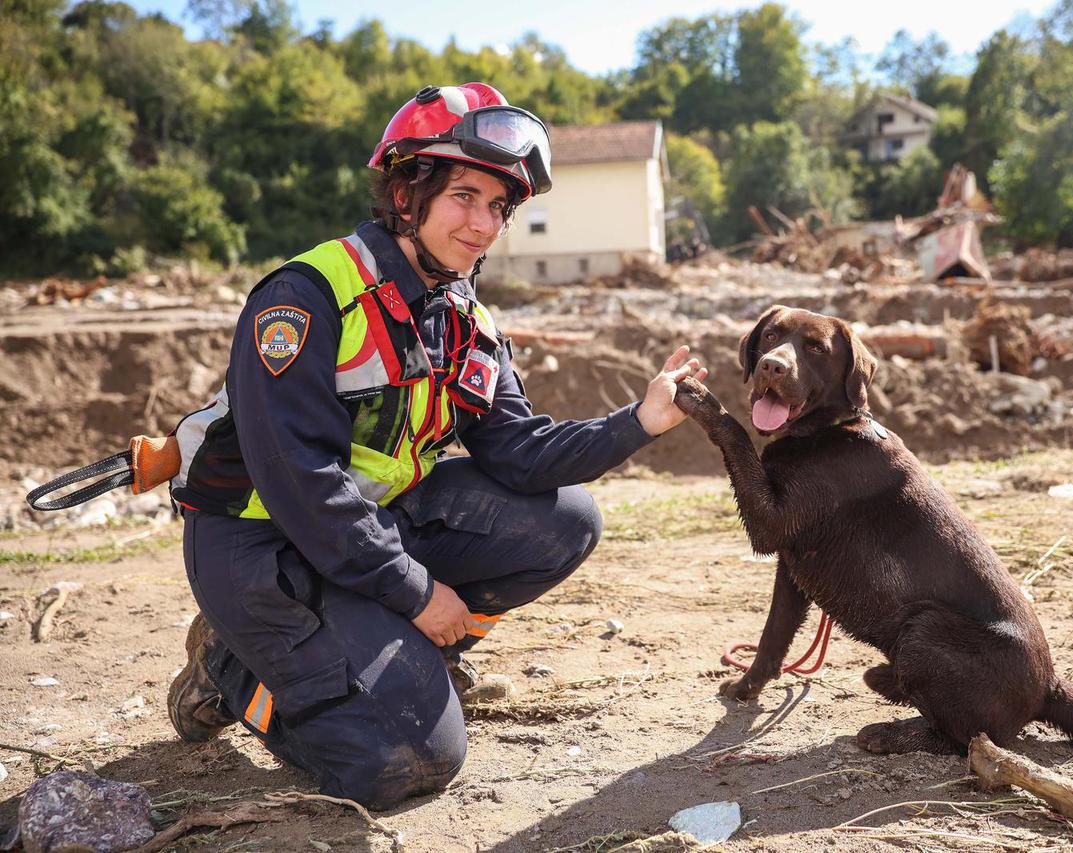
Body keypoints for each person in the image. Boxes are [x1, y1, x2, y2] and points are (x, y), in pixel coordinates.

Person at [165, 82, 706, 810]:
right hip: (260, 547)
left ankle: (413, 661)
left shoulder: (462, 319)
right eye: (465, 196)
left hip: (363, 534)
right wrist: (416, 592)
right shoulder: (307, 297)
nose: (484, 224)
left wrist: (639, 420)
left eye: (499, 207)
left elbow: (518, 452)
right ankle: (233, 670)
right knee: (403, 763)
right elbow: (302, 480)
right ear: (406, 190)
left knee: (565, 520)